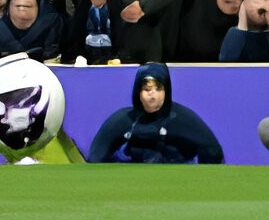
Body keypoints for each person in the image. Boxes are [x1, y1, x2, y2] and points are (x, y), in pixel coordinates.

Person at [84, 63, 226, 163]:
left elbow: (213, 151)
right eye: (147, 89)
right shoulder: (122, 120)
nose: (153, 95)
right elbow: (96, 156)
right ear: (137, 93)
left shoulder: (183, 119)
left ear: (167, 91)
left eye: (158, 89)